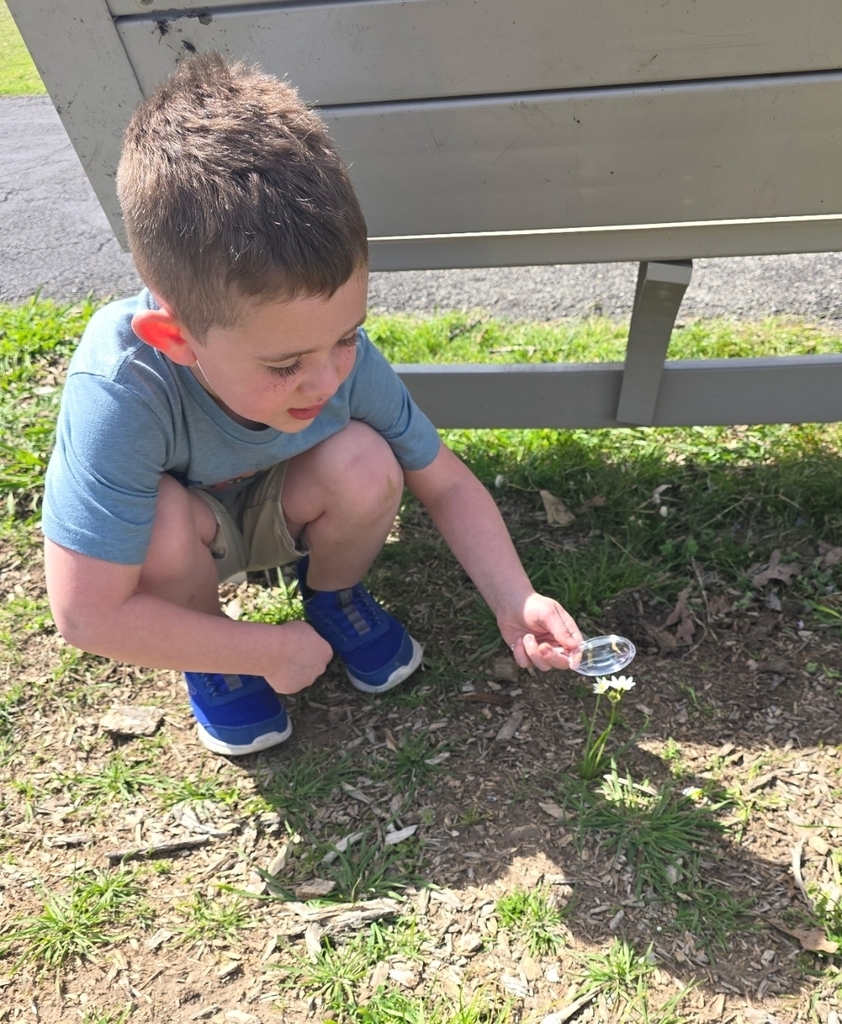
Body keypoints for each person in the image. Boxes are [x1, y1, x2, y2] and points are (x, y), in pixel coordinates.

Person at [42, 53, 583, 758]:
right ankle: (211, 649)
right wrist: (260, 649)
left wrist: (516, 599)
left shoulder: (330, 357)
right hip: (182, 540)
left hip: (283, 503)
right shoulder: (119, 389)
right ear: (174, 338)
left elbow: (444, 480)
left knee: (364, 458)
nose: (326, 379)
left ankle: (334, 597)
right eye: (284, 363)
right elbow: (86, 615)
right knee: (161, 529)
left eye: (346, 337)